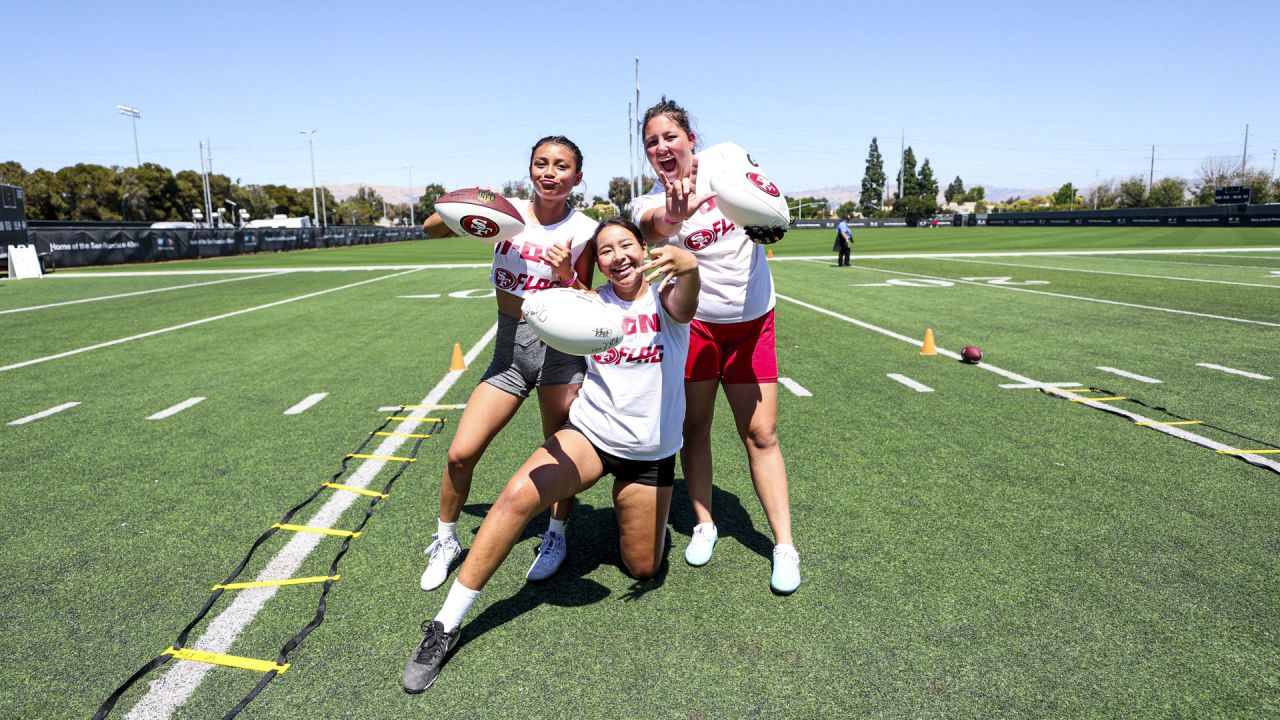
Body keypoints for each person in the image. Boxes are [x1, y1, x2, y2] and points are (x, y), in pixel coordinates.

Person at [402, 217, 700, 693]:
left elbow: (686, 299)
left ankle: (635, 509)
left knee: (643, 566)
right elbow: (554, 307)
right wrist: (562, 279)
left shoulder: (666, 300)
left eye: (627, 245)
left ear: (645, 249)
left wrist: (689, 267)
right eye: (606, 251)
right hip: (592, 436)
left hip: (650, 455)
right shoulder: (590, 302)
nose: (618, 256)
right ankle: (444, 625)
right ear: (597, 262)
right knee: (517, 496)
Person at [631, 97, 800, 595]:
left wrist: (768, 214)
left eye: (670, 137)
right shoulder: (648, 202)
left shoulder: (727, 161)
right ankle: (705, 523)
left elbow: (769, 206)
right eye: (651, 143)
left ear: (691, 139)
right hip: (697, 327)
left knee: (762, 434)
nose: (662, 148)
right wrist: (673, 215)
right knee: (695, 428)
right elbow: (653, 225)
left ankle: (784, 545)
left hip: (752, 323)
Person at [417, 136, 598, 590]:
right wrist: (466, 204)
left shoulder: (587, 229)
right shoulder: (507, 213)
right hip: (509, 354)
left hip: (561, 354)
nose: (549, 173)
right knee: (461, 453)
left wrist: (566, 275)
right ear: (530, 169)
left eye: (561, 166)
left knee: (560, 454)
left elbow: (589, 301)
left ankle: (555, 535)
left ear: (577, 177)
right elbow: (430, 228)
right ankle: (446, 539)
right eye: (541, 163)